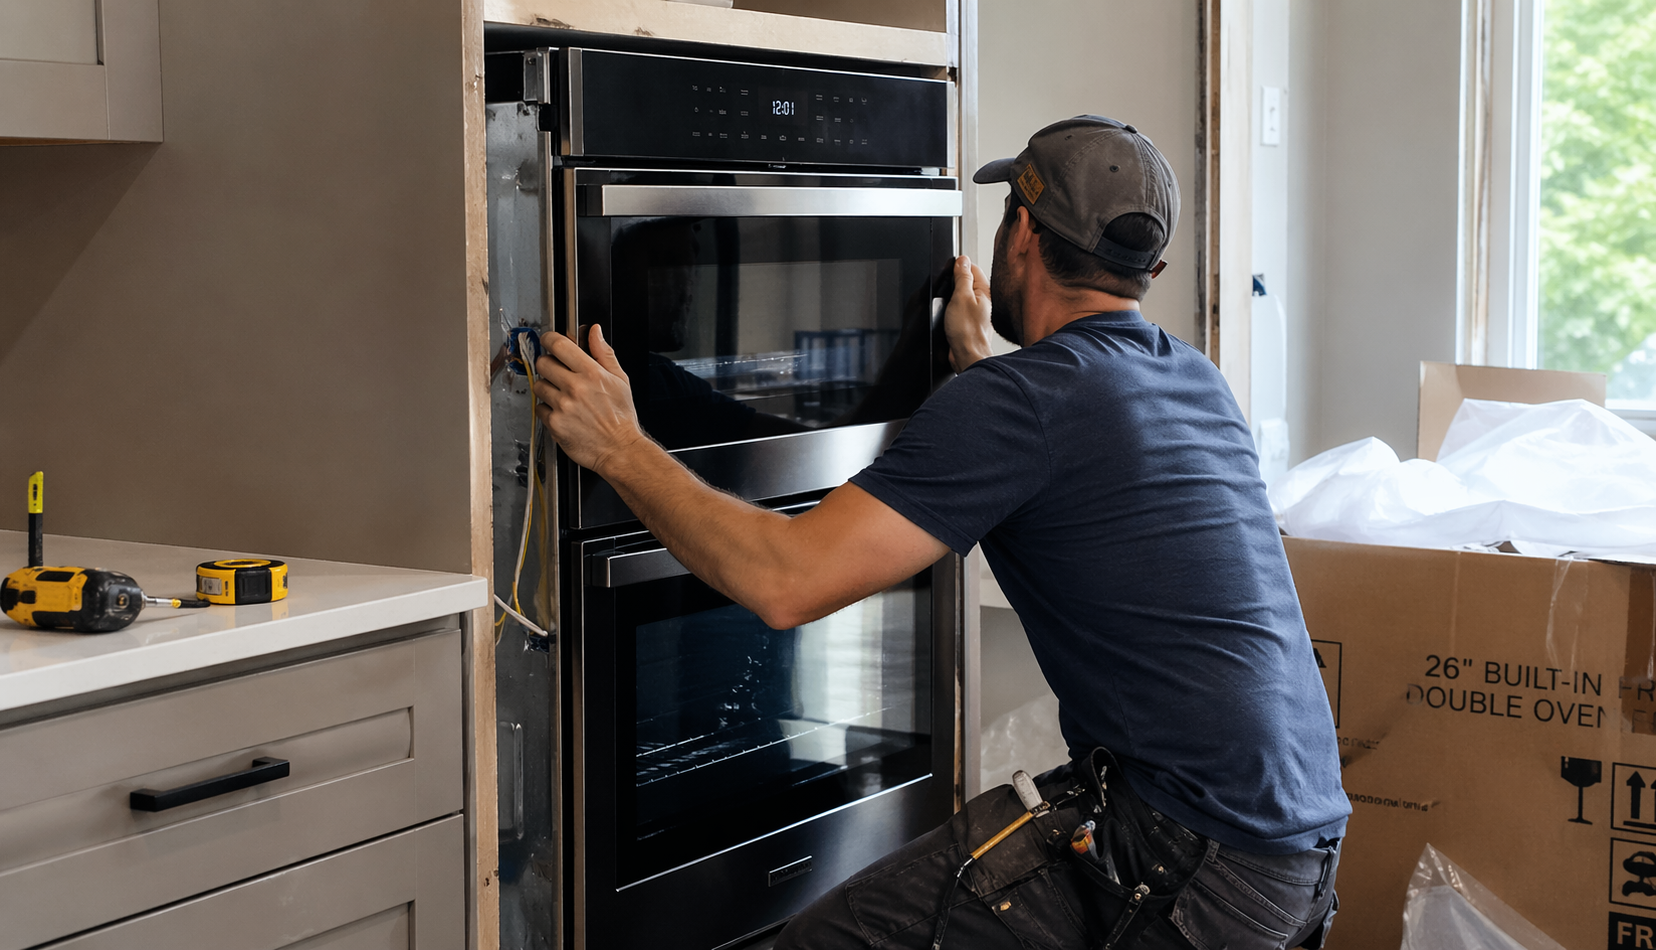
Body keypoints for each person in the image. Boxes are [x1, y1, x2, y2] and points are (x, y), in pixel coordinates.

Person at [532, 115, 1349, 950]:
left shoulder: (1018, 404)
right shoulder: (1189, 376)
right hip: (1296, 862)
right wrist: (976, 361)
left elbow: (787, 583)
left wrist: (621, 449)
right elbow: (1064, 432)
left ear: (1021, 231)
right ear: (1149, 271)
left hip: (1181, 855)